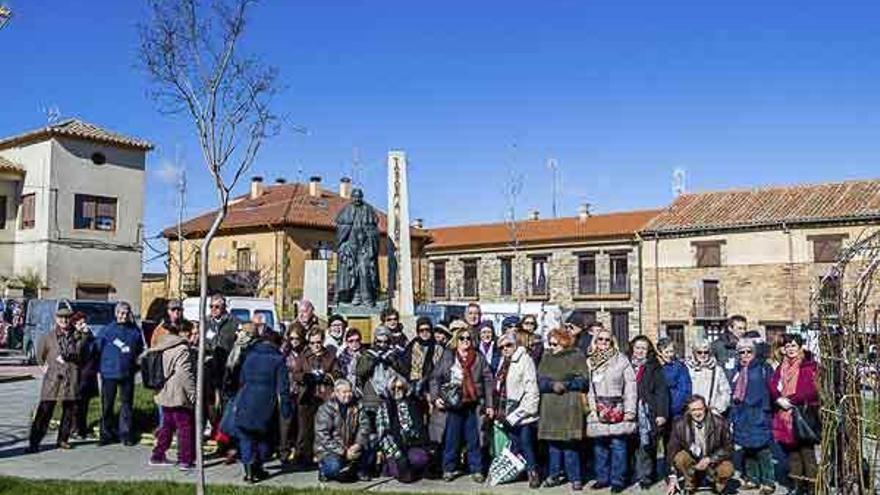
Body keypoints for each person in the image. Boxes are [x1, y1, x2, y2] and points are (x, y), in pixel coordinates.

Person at [430, 326, 494, 482]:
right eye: (462, 338)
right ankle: (449, 468)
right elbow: (435, 378)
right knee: (452, 439)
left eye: (468, 338)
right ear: (456, 341)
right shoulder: (448, 356)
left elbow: (487, 380)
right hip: (453, 404)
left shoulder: (478, 358)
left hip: (473, 404)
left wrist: (490, 404)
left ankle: (477, 469)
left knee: (474, 439)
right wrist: (435, 397)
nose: (466, 341)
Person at [233, 330, 292, 483]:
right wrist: (286, 410)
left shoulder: (250, 356)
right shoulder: (278, 359)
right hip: (265, 405)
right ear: (277, 343)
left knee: (246, 436)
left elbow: (241, 379)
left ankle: (249, 471)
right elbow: (283, 388)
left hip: (245, 400)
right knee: (264, 438)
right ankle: (257, 466)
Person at [27, 307, 88, 453]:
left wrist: (84, 336)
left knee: (69, 411)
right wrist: (43, 366)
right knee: (44, 411)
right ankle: (34, 442)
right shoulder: (48, 336)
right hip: (53, 379)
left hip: (71, 377)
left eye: (67, 318)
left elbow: (82, 354)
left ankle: (63, 440)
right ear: (56, 319)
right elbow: (40, 354)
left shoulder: (78, 336)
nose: (64, 320)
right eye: (61, 318)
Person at [537, 327, 589, 490]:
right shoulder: (546, 357)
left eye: (555, 343)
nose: (551, 347)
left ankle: (575, 477)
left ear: (564, 342)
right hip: (550, 406)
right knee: (553, 445)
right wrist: (552, 385)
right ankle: (554, 475)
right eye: (550, 343)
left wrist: (566, 384)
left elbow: (584, 381)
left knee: (570, 444)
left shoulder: (577, 356)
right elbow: (540, 381)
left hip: (569, 405)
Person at [586, 328, 637, 494]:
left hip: (617, 407)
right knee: (599, 446)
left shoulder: (621, 360)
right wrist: (591, 409)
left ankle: (618, 480)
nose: (603, 343)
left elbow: (630, 386)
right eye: (600, 339)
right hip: (598, 406)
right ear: (595, 341)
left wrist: (630, 409)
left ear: (612, 342)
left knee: (618, 445)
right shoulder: (590, 361)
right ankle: (602, 478)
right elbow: (588, 388)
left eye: (607, 340)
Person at [769, 334, 819, 495]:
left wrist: (788, 400)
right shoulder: (781, 366)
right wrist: (778, 398)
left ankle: (812, 487)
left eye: (793, 346)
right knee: (792, 453)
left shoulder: (808, 365)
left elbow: (811, 391)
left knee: (807, 453)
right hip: (784, 414)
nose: (790, 349)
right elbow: (772, 384)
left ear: (800, 347)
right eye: (787, 346)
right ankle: (797, 485)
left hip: (802, 414)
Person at [148, 317, 196, 470]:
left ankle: (157, 455)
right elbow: (185, 374)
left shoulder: (162, 344)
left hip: (163, 390)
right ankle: (185, 459)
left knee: (167, 425)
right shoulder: (181, 349)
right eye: (190, 333)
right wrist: (193, 395)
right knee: (185, 426)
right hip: (178, 392)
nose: (192, 336)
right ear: (182, 332)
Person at [495, 332, 541, 488]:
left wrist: (523, 411)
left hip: (522, 412)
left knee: (527, 444)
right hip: (507, 411)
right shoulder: (503, 362)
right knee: (515, 444)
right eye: (501, 347)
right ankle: (519, 472)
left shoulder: (525, 360)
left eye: (508, 345)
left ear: (515, 345)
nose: (505, 349)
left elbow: (532, 390)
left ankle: (533, 472)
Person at [730, 339, 776, 495]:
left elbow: (773, 389)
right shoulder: (737, 370)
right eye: (741, 352)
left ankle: (768, 482)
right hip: (742, 414)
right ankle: (752, 479)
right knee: (747, 448)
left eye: (748, 351)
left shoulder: (764, 367)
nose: (745, 355)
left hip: (759, 413)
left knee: (763, 450)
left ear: (754, 352)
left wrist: (768, 410)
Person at [96, 301, 144, 446]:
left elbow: (139, 350)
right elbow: (97, 348)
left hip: (127, 373)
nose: (124, 316)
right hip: (109, 373)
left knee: (126, 405)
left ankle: (126, 434)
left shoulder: (134, 331)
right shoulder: (107, 330)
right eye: (121, 313)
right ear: (116, 314)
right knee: (107, 405)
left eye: (126, 313)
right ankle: (106, 433)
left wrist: (136, 365)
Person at [666, 395, 734, 495]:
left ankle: (718, 486)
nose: (697, 413)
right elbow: (672, 450)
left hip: (713, 460)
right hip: (693, 461)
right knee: (680, 458)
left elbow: (729, 447)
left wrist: (710, 459)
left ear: (705, 408)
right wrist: (672, 477)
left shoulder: (720, 422)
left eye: (700, 409)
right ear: (689, 411)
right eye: (693, 410)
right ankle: (691, 483)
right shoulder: (679, 425)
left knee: (727, 468)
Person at [291, 328, 340, 466]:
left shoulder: (329, 356)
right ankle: (303, 456)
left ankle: (321, 456)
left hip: (324, 396)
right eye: (312, 343)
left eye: (318, 342)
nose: (316, 345)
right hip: (307, 395)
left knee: (323, 428)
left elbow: (337, 373)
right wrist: (305, 377)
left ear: (323, 341)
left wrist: (327, 377)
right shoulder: (303, 356)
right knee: (304, 429)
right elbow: (295, 374)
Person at [629, 335, 670, 489]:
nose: (640, 351)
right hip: (629, 409)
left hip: (648, 410)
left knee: (646, 444)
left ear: (648, 351)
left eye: (643, 348)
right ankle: (634, 473)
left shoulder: (654, 367)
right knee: (632, 445)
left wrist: (661, 413)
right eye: (638, 347)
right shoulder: (626, 364)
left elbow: (661, 392)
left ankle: (647, 476)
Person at [315, 379, 373, 482]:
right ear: (336, 393)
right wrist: (344, 452)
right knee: (334, 467)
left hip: (351, 446)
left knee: (372, 440)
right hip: (330, 450)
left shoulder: (357, 406)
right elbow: (323, 437)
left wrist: (358, 444)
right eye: (344, 392)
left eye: (350, 391)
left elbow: (365, 426)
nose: (348, 395)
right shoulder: (325, 409)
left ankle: (358, 469)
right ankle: (323, 469)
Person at [376, 375, 431, 483]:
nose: (397, 390)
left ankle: (412, 470)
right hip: (394, 448)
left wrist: (414, 436)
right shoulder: (384, 406)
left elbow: (419, 428)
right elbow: (383, 436)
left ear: (405, 388)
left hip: (410, 444)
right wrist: (398, 455)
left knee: (422, 458)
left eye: (400, 388)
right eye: (394, 388)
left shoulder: (412, 404)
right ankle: (389, 466)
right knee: (400, 470)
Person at [205, 295, 240, 438]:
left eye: (217, 307)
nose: (213, 309)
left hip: (227, 369)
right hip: (209, 368)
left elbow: (238, 345)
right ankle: (213, 427)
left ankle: (225, 435)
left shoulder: (233, 323)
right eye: (211, 306)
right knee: (210, 401)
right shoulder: (206, 322)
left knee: (226, 402)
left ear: (224, 308)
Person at [356, 326, 408, 411]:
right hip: (372, 395)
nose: (382, 345)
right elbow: (360, 372)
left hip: (392, 394)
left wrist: (392, 362)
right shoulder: (367, 354)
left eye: (385, 342)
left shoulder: (394, 353)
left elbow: (404, 371)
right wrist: (372, 362)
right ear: (375, 340)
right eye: (379, 342)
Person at [278, 325, 305, 464]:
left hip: (301, 391)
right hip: (287, 390)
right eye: (292, 338)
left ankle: (299, 452)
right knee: (286, 423)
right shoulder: (284, 352)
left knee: (301, 423)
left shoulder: (304, 352)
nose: (295, 341)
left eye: (297, 338)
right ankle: (284, 451)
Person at [71, 312, 99, 439]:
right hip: (77, 374)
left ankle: (83, 428)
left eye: (84, 322)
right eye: (80, 323)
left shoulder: (89, 335)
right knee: (77, 403)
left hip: (89, 373)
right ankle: (74, 428)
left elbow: (95, 349)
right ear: (75, 324)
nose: (84, 325)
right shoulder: (74, 336)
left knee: (85, 403)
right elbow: (78, 351)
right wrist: (85, 335)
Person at [687, 339, 732, 416]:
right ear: (694, 353)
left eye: (706, 352)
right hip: (692, 412)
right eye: (699, 352)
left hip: (711, 412)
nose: (703, 355)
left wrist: (718, 408)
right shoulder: (688, 369)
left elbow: (725, 391)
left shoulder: (717, 370)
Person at [657, 338, 692, 420]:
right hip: (660, 411)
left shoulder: (680, 367)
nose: (669, 355)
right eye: (666, 352)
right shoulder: (656, 367)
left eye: (671, 351)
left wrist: (674, 408)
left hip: (676, 410)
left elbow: (684, 389)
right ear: (660, 353)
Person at [403, 316, 439, 397]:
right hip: (413, 385)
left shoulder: (437, 346)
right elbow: (405, 365)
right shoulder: (412, 345)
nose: (424, 333)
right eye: (421, 330)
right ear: (418, 332)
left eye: (427, 330)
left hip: (431, 386)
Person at [712, 315, 748, 384]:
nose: (743, 331)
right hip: (725, 384)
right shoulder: (718, 345)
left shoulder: (747, 345)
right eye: (739, 328)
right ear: (730, 328)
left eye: (744, 328)